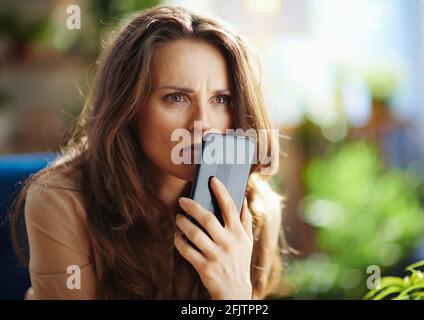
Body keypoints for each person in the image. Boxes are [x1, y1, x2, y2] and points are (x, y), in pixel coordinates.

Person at [10, 5, 284, 300]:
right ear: (129, 108)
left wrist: (234, 295)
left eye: (221, 99)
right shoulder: (62, 200)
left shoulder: (257, 209)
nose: (202, 124)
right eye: (176, 97)